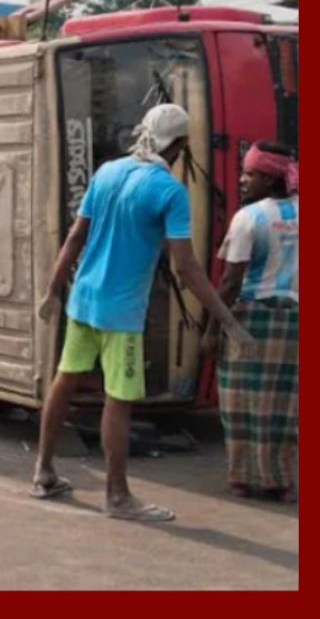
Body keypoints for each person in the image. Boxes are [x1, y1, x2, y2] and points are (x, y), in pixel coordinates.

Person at [31, 103, 254, 522]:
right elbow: (184, 266)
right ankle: (117, 496)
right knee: (119, 399)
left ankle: (44, 471)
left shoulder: (108, 172)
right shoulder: (169, 191)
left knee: (64, 381)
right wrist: (225, 318)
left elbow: (76, 237)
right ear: (182, 145)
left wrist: (53, 290)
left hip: (83, 299)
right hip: (122, 313)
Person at [202, 142, 298, 502]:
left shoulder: (250, 217)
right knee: (285, 406)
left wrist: (212, 330)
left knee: (239, 402)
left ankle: (241, 478)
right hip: (295, 325)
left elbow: (229, 282)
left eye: (250, 173)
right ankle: (278, 480)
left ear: (270, 177)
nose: (242, 180)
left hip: (250, 320)